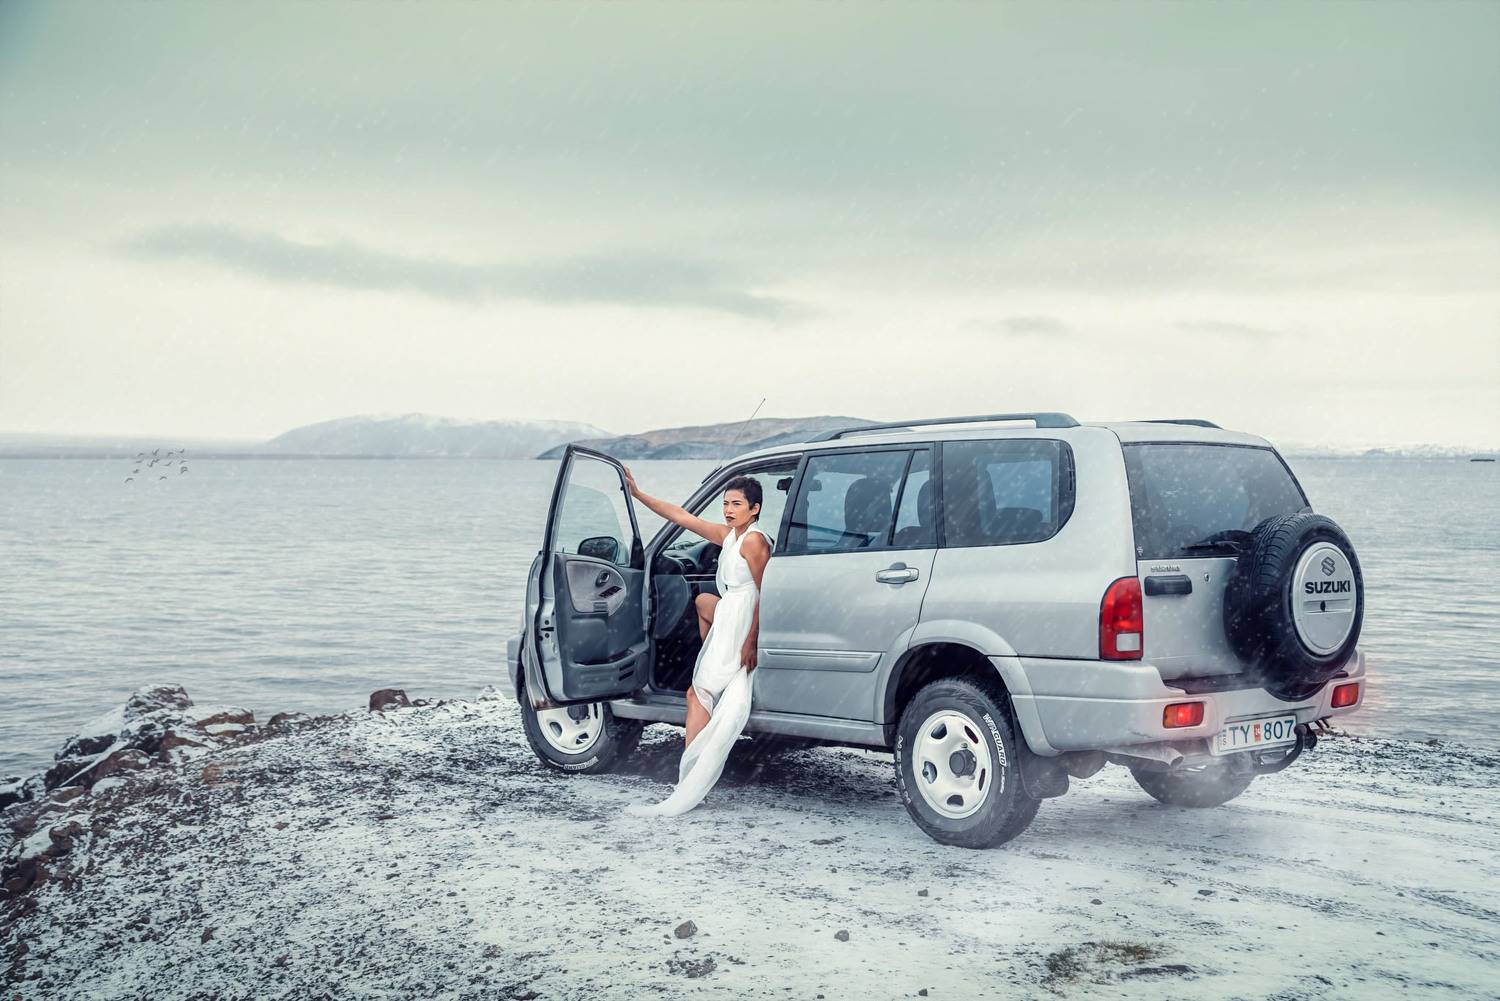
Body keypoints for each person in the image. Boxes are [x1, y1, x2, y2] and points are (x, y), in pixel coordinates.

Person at [621, 467, 771, 816]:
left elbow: (767, 593)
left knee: (696, 693)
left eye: (737, 504)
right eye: (726, 504)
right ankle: (711, 662)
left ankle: (691, 780)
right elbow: (681, 516)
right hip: (731, 609)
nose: (729, 510)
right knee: (703, 602)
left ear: (755, 508)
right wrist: (639, 494)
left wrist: (752, 641)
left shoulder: (753, 541)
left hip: (744, 616)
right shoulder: (731, 535)